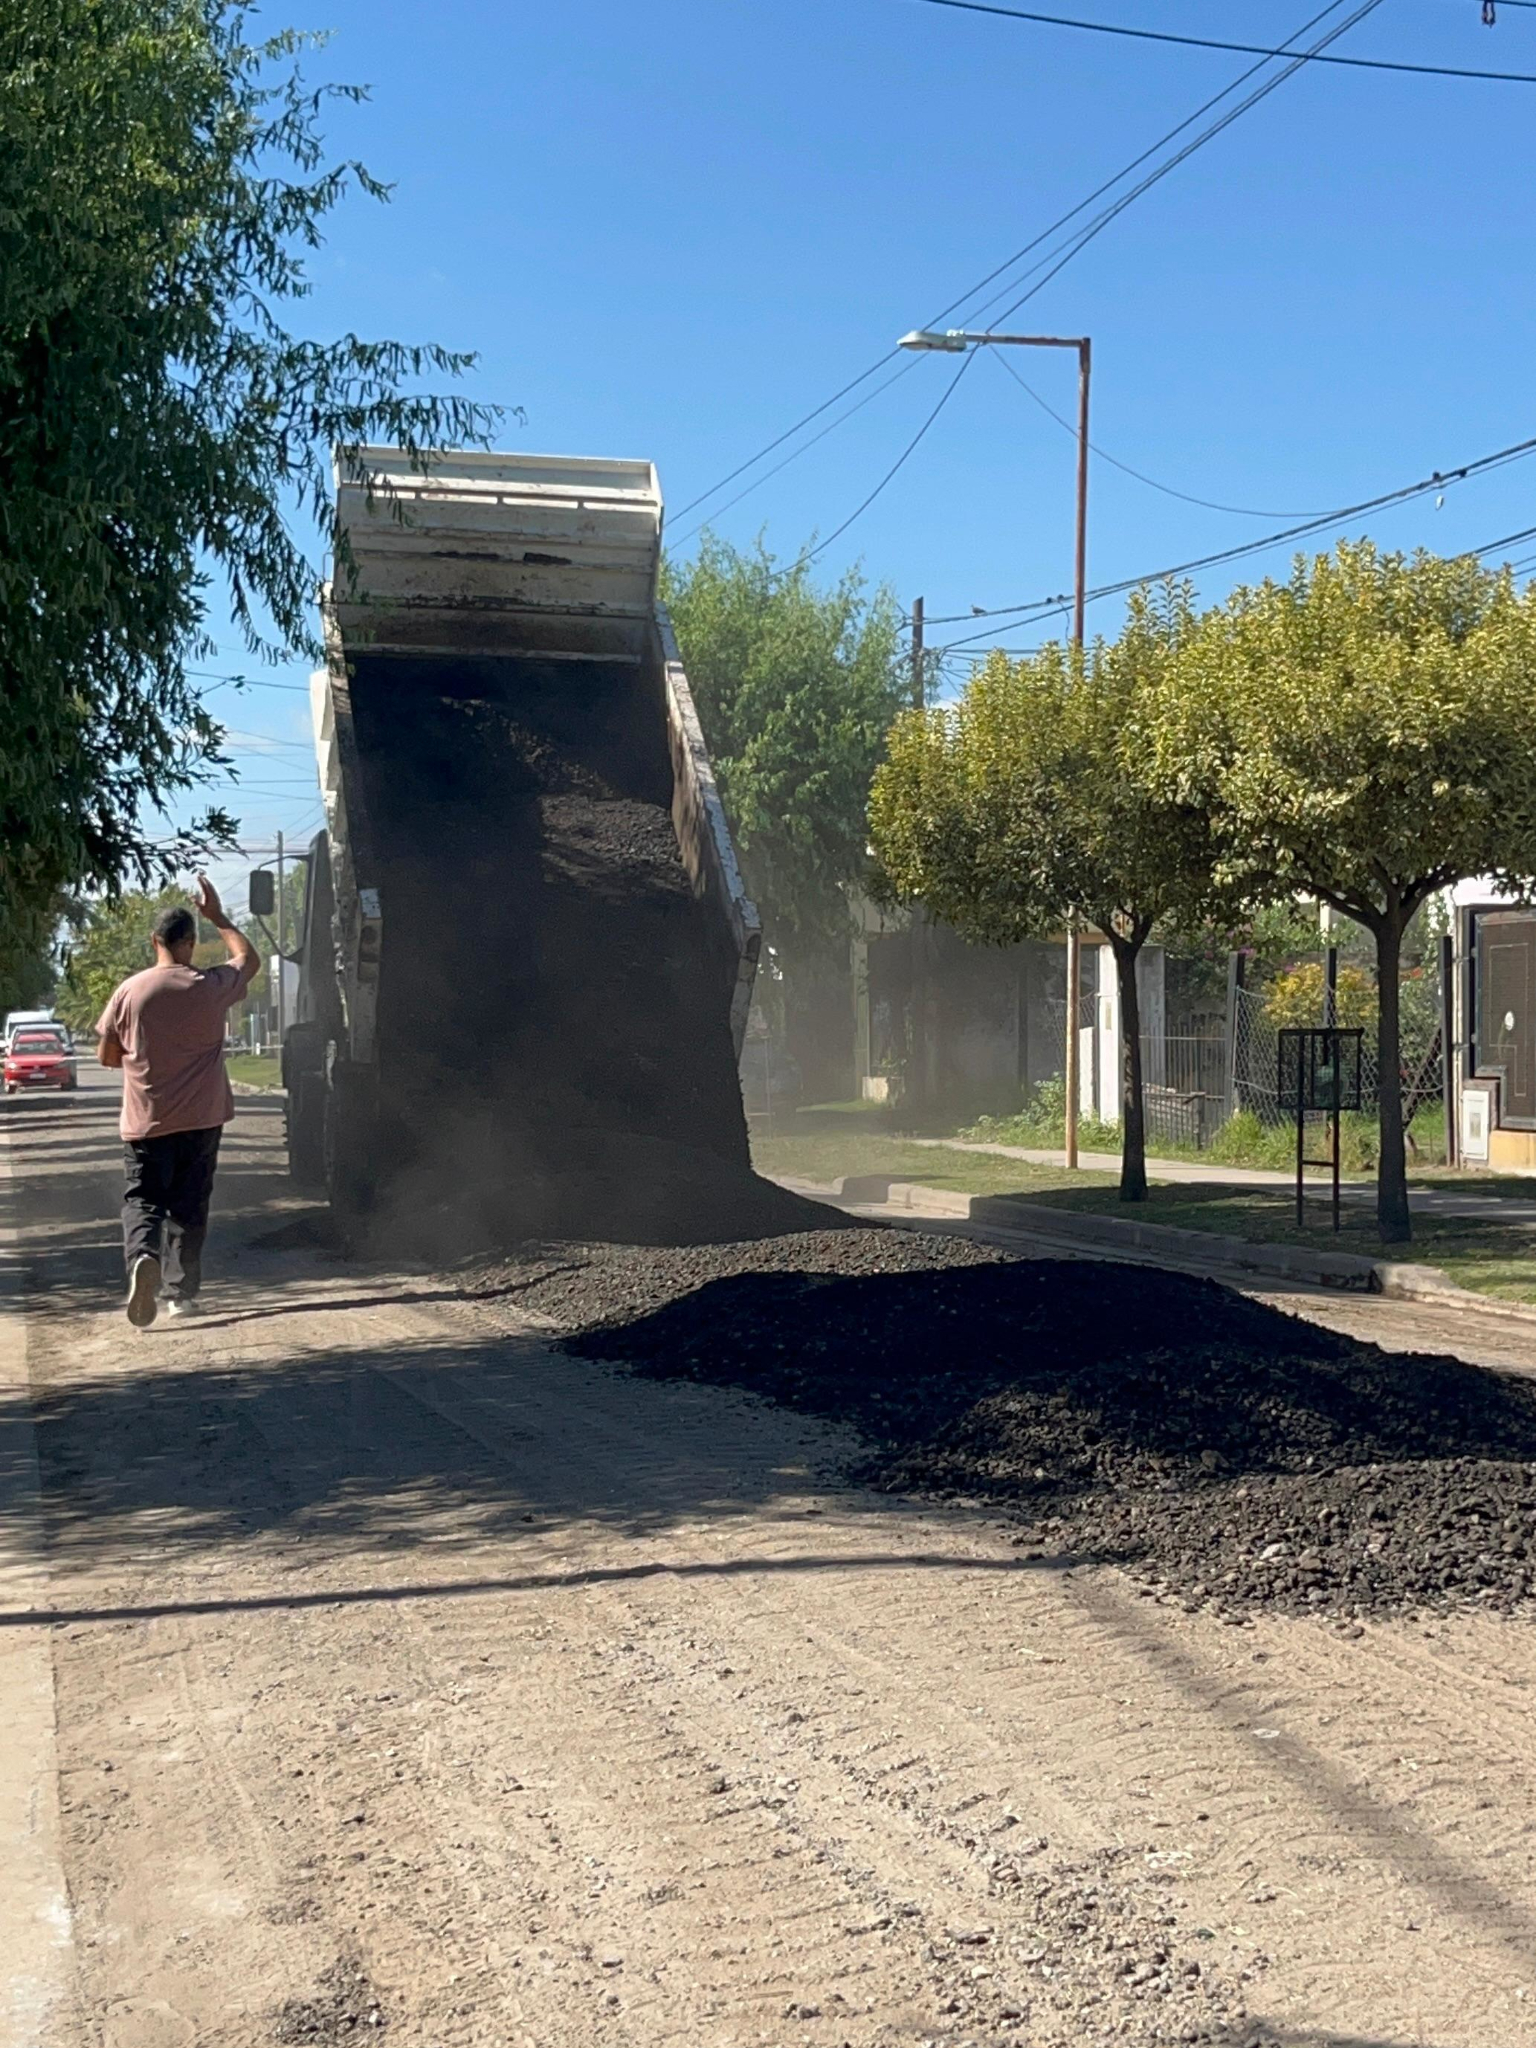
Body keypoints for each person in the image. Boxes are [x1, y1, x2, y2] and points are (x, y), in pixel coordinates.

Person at [96, 877, 260, 1326]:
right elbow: (249, 960)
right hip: (202, 1120)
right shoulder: (210, 985)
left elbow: (107, 1055)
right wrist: (218, 916)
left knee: (144, 1200)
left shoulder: (130, 992)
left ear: (155, 941)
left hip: (147, 1121)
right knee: (190, 1206)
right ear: (190, 943)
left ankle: (142, 1258)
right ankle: (179, 1295)